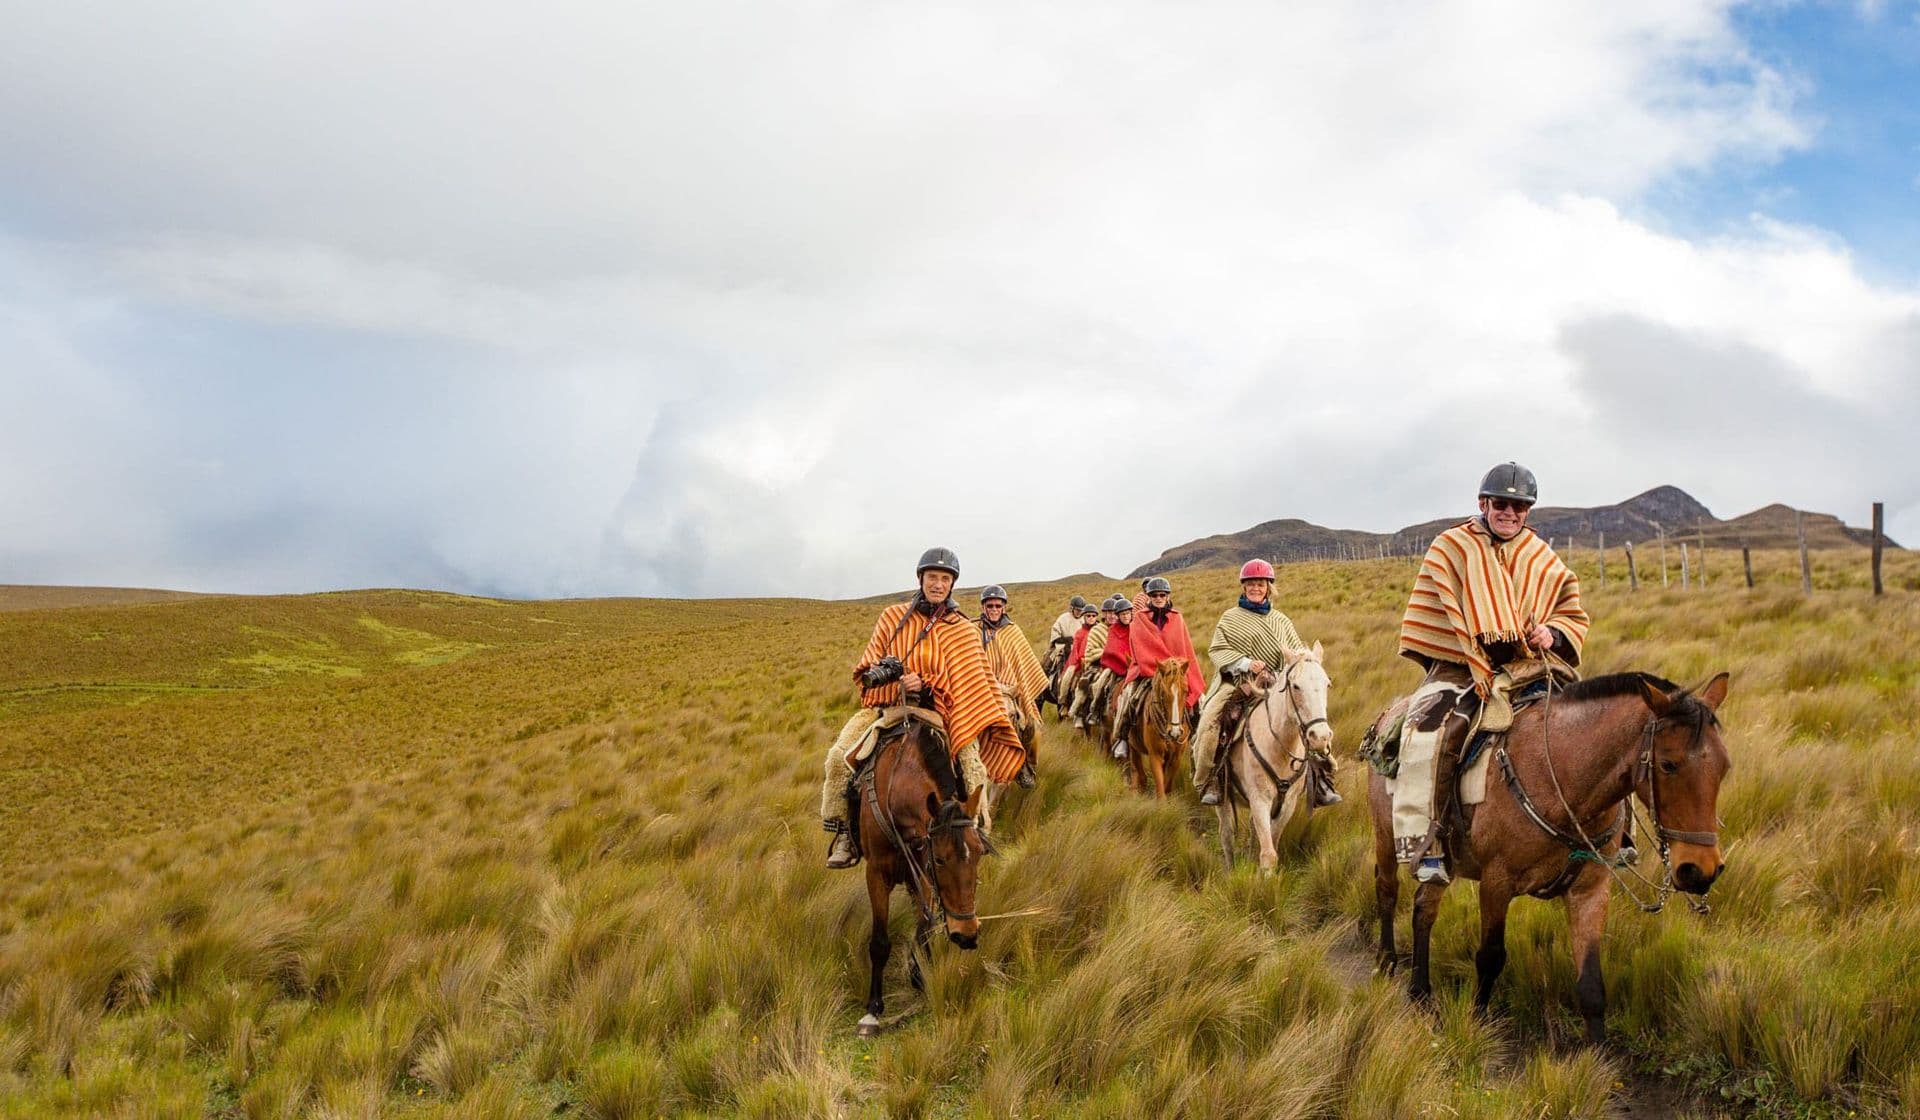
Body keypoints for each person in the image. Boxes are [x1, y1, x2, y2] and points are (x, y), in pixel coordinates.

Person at [1394, 463, 1589, 883]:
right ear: (1483, 503)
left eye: (1520, 506)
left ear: (1528, 511)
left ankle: (1608, 838)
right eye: (1502, 503)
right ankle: (1428, 843)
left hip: (1528, 665)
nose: (1510, 513)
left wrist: (1552, 632)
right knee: (1428, 733)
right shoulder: (1452, 546)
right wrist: (1483, 643)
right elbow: (1444, 608)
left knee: (1593, 721)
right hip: (1461, 666)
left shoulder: (1540, 554)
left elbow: (1569, 609)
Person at [819, 548, 1026, 868]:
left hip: (942, 712)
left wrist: (927, 684)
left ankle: (975, 832)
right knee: (838, 757)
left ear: (952, 584)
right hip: (888, 706)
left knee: (973, 768)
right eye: (932, 577)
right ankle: (846, 833)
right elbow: (867, 670)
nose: (938, 584)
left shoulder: (962, 629)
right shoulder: (892, 617)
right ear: (921, 578)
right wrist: (896, 683)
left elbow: (970, 682)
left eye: (945, 578)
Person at [1190, 559, 1337, 806]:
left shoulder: (1281, 620)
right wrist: (1246, 663)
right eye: (1251, 584)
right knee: (1211, 724)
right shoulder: (1230, 618)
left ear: (1269, 587)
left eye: (1260, 584)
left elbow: (1296, 656)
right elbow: (1217, 650)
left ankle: (1321, 779)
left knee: (1310, 719)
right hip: (1238, 683)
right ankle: (1210, 779)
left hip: (1277, 684)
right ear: (1243, 586)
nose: (1255, 588)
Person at [1110, 576, 1204, 760]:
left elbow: (1184, 648)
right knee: (1127, 695)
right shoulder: (1139, 618)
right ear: (1149, 597)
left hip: (1175, 672)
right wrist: (1159, 667)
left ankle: (1197, 739)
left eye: (1162, 595)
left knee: (1200, 700)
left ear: (1168, 596)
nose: (1159, 598)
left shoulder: (1177, 618)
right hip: (1148, 671)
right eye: (1154, 595)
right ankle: (1122, 737)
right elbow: (1140, 647)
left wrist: (1175, 668)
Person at [976, 585, 1050, 788]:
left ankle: (1025, 767)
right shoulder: (973, 630)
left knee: (1033, 730)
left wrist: (1013, 688)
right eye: (989, 605)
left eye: (997, 605)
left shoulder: (1013, 631)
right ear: (983, 607)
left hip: (1011, 691)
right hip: (981, 688)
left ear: (1004, 607)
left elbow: (1024, 665)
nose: (994, 609)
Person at [1068, 597, 1119, 726]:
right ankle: (1084, 712)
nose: (1112, 616)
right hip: (1098, 664)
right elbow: (1090, 652)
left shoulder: (1121, 628)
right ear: (1104, 614)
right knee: (1088, 682)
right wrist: (1106, 653)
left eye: (1114, 613)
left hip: (1118, 664)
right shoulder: (1096, 630)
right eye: (1109, 612)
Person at [1058, 602, 1102, 728]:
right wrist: (1079, 661)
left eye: (1093, 616)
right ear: (1084, 617)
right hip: (1080, 661)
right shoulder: (1079, 633)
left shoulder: (1100, 630)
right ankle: (1064, 703)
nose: (1091, 618)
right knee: (1067, 677)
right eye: (1088, 616)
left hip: (1097, 661)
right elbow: (1076, 650)